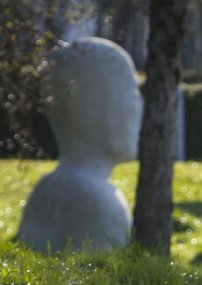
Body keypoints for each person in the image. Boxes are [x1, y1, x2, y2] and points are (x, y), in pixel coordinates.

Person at [18, 37, 143, 252]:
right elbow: (105, 278)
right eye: (130, 93)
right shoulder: (97, 201)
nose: (138, 107)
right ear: (98, 109)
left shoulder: (48, 186)